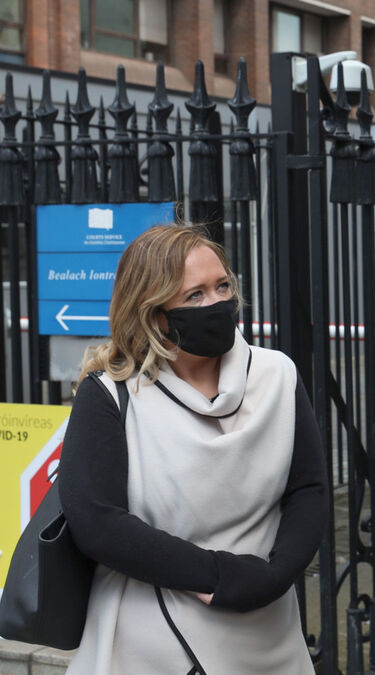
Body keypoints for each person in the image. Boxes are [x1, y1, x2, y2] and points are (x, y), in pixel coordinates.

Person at [58, 224, 328, 673]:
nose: (217, 303)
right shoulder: (111, 394)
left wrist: (273, 577)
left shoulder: (277, 375)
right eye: (195, 295)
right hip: (150, 639)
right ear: (152, 312)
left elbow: (309, 489)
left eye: (223, 286)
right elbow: (97, 521)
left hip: (267, 625)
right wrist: (218, 576)